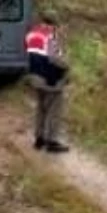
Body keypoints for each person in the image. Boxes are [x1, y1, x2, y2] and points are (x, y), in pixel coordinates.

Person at [26, 14, 71, 153]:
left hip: (35, 77)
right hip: (51, 79)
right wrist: (67, 65)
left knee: (41, 108)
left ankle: (39, 139)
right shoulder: (50, 37)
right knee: (54, 110)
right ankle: (52, 141)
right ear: (52, 25)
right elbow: (54, 58)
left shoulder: (31, 34)